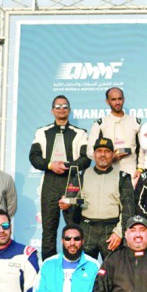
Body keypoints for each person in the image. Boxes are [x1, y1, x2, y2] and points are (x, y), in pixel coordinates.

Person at [29, 95, 90, 259]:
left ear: (69, 110)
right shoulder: (42, 132)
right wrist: (50, 165)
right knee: (48, 229)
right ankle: (49, 268)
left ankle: (76, 264)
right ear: (52, 110)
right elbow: (34, 157)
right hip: (50, 183)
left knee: (74, 229)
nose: (61, 108)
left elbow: (86, 159)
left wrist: (67, 166)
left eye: (65, 106)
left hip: (72, 183)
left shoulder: (80, 133)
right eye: (58, 106)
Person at [62, 135, 136, 260]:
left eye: (107, 151)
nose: (103, 154)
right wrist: (65, 205)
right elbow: (70, 202)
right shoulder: (80, 175)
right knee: (83, 270)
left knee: (114, 272)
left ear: (113, 154)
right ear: (94, 154)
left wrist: (119, 233)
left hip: (111, 229)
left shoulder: (123, 177)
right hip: (86, 228)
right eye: (99, 151)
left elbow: (128, 210)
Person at [88, 87, 142, 178]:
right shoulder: (100, 124)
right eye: (113, 99)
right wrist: (108, 158)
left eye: (119, 99)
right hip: (108, 170)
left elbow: (142, 149)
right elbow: (90, 151)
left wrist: (140, 168)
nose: (117, 102)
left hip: (131, 170)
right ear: (107, 101)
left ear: (123, 100)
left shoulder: (135, 122)